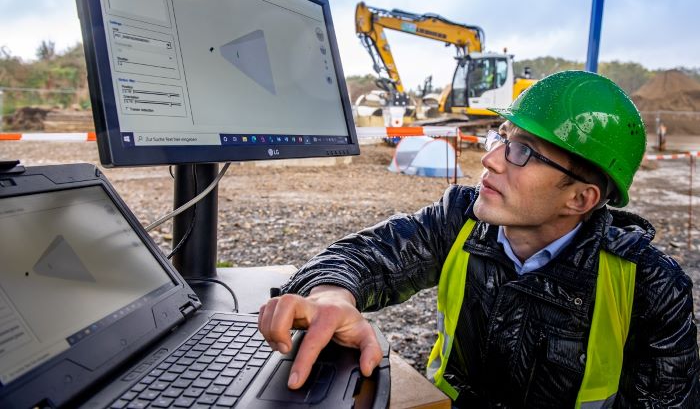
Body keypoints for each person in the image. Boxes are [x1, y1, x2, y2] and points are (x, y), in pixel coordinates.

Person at [257, 71, 700, 407]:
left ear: (581, 198)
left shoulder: (648, 285)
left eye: (522, 151)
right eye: (501, 138)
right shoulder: (461, 220)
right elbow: (367, 255)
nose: (489, 160)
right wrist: (332, 294)